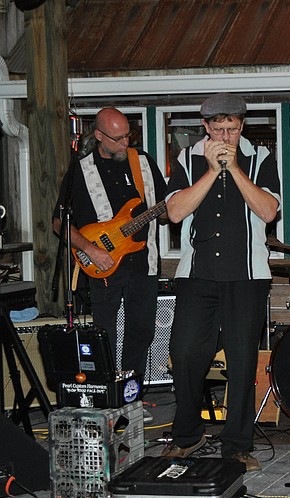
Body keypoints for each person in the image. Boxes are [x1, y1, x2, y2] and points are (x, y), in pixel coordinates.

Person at [163, 92, 280, 472]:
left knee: (243, 363)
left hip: (246, 276)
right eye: (218, 129)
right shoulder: (187, 159)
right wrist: (212, 170)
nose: (225, 136)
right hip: (197, 274)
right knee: (183, 355)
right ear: (205, 126)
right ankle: (188, 434)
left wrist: (235, 170)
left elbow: (268, 209)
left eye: (232, 129)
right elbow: (176, 212)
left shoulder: (260, 158)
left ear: (242, 125)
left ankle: (236, 446)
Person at [52, 108, 168, 414]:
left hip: (144, 262)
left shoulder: (142, 162)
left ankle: (132, 397)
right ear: (99, 136)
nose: (123, 142)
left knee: (141, 331)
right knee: (104, 332)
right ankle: (104, 397)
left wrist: (180, 204)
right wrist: (90, 250)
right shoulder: (81, 169)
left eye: (127, 135)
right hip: (102, 265)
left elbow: (166, 208)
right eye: (116, 138)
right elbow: (58, 222)